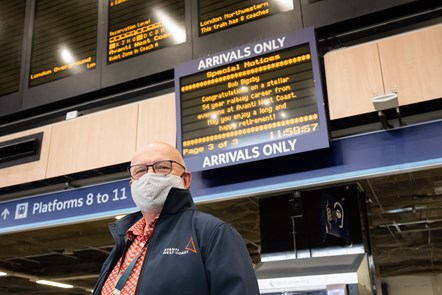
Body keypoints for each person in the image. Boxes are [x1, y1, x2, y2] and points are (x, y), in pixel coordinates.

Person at [93, 142, 260, 295]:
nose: (150, 176)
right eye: (141, 171)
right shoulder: (124, 242)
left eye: (162, 167)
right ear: (132, 185)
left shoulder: (212, 233)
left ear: (185, 179)